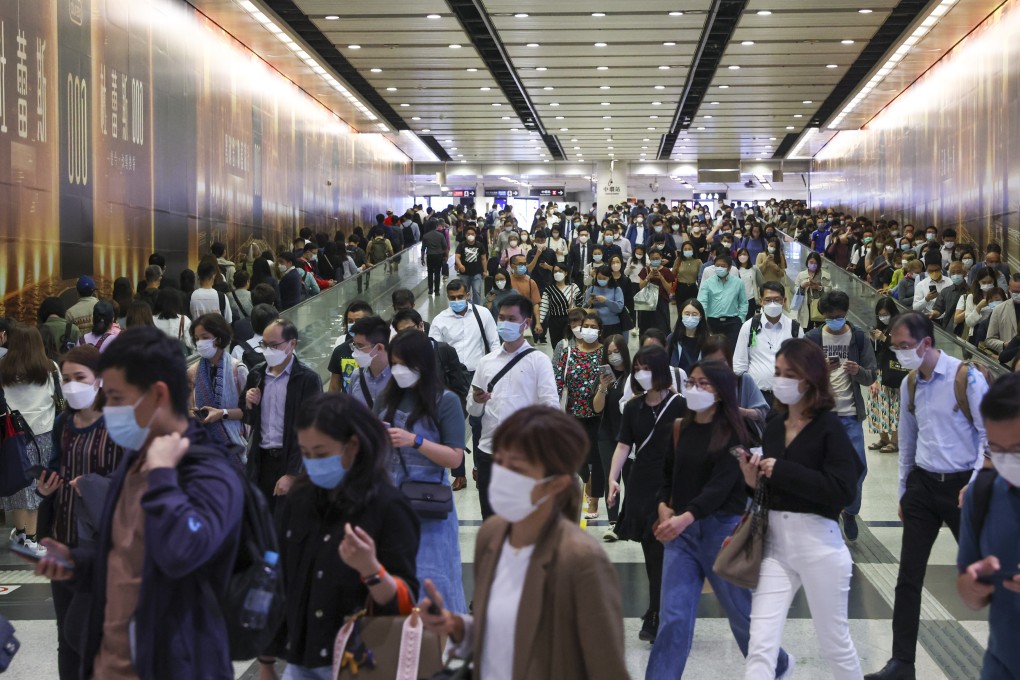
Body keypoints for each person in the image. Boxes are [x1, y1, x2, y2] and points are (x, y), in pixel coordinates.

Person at [31, 326, 245, 679]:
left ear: (157, 395)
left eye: (116, 398)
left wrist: (161, 478)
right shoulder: (136, 461)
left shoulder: (208, 471)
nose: (109, 409)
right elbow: (125, 554)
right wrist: (77, 563)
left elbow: (184, 553)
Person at [420, 406, 629, 680]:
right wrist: (456, 626)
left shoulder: (581, 560)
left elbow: (607, 668)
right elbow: (500, 633)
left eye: (516, 468)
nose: (501, 474)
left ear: (555, 484)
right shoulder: (492, 536)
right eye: (500, 461)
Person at [647, 361, 792, 680]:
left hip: (721, 532)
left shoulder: (734, 432)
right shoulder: (680, 427)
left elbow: (721, 486)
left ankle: (777, 664)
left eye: (704, 384)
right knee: (673, 617)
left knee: (741, 615)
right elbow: (668, 473)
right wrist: (662, 505)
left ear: (722, 392)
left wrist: (686, 516)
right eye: (693, 382)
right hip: (681, 537)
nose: (695, 389)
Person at [260, 391, 419, 680]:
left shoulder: (388, 507)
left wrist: (371, 569)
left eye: (321, 454)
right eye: (305, 454)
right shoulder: (299, 500)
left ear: (352, 446)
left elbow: (404, 603)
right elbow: (282, 579)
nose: (312, 463)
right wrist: (266, 661)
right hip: (302, 658)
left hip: (362, 661)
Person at [866, 312, 989, 680]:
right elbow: (907, 441)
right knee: (908, 577)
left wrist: (977, 482)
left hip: (962, 486)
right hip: (922, 485)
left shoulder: (966, 378)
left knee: (987, 573)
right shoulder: (909, 385)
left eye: (905, 347)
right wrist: (904, 491)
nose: (900, 353)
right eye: (896, 347)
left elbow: (989, 435)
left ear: (926, 344)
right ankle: (902, 663)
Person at [740, 339, 863, 679]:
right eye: (777, 373)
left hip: (820, 545)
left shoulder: (829, 428)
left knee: (834, 642)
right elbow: (773, 487)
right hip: (776, 545)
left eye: (789, 374)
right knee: (760, 642)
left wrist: (782, 470)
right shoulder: (776, 425)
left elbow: (841, 491)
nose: (780, 381)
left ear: (809, 379)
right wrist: (753, 480)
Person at [36, 345, 126, 679]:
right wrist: (46, 485)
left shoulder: (119, 423)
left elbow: (131, 482)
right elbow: (55, 467)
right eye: (66, 378)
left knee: (95, 631)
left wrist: (90, 483)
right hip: (63, 537)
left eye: (80, 378)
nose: (71, 385)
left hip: (102, 543)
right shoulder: (63, 423)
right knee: (67, 634)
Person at [375, 330, 467, 614]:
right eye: (395, 363)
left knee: (432, 579)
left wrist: (415, 440)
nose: (398, 370)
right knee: (392, 576)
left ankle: (440, 646)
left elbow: (454, 457)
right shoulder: (386, 398)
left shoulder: (446, 401)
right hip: (389, 501)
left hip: (428, 504)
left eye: (405, 364)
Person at [607, 345, 687, 644]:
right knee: (652, 552)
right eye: (637, 368)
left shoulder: (681, 405)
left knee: (667, 552)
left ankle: (663, 611)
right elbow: (624, 445)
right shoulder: (633, 408)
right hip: (641, 482)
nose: (640, 373)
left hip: (672, 484)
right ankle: (656, 612)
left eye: (646, 367)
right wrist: (613, 479)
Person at [466, 294, 559, 518]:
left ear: (526, 323)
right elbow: (473, 410)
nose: (504, 323)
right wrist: (477, 401)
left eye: (511, 318)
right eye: (501, 318)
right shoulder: (486, 362)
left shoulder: (539, 361)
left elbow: (551, 407)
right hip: (489, 452)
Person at [956, 372, 1020, 679]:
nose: (1008, 461)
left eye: (1018, 449)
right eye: (997, 449)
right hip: (1002, 664)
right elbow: (968, 590)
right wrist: (973, 587)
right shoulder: (982, 494)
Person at [804, 290, 878, 541]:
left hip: (850, 415)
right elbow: (800, 378)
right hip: (822, 416)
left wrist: (857, 370)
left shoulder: (858, 337)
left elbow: (871, 375)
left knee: (858, 469)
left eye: (839, 316)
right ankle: (827, 513)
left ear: (846, 314)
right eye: (829, 317)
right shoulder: (813, 338)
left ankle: (850, 511)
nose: (834, 321)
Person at [242, 318, 323, 510]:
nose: (268, 350)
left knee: (288, 522)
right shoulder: (257, 374)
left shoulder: (307, 379)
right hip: (261, 460)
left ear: (292, 344)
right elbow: (248, 419)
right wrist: (249, 404)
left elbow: (311, 429)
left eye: (274, 345)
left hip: (290, 459)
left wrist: (293, 473)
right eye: (264, 344)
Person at [2, 325, 61, 557]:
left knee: (18, 486)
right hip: (43, 434)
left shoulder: (3, 369)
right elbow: (59, 397)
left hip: (12, 435)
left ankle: (21, 534)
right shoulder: (49, 368)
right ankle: (33, 540)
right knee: (37, 487)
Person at [555, 312, 605, 519]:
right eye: (586, 326)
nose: (589, 330)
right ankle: (588, 481)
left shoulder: (604, 352)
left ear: (600, 331)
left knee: (598, 457)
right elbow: (559, 379)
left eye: (594, 326)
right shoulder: (569, 353)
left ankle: (593, 501)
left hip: (598, 413)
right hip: (572, 412)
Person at [187, 313, 248, 448]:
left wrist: (222, 413)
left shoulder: (238, 370)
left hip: (235, 440)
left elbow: (249, 411)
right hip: (203, 443)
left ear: (219, 339)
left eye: (205, 338)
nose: (200, 343)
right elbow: (188, 407)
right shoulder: (192, 372)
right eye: (197, 339)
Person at [733, 282, 798, 406]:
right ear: (761, 301)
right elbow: (739, 365)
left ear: (784, 301)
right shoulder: (749, 326)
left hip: (787, 396)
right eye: (768, 300)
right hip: (756, 394)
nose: (772, 304)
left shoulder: (794, 329)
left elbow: (801, 363)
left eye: (777, 300)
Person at [594, 333, 630, 541]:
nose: (614, 356)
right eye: (609, 353)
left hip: (629, 436)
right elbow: (597, 408)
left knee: (630, 478)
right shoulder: (604, 379)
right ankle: (613, 522)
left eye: (617, 351)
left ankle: (628, 518)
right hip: (607, 434)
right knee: (611, 477)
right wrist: (602, 388)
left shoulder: (635, 376)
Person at [867, 298, 905, 455]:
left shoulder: (900, 326)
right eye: (880, 314)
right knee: (876, 404)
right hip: (880, 371)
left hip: (896, 371)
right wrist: (873, 340)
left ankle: (895, 441)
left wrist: (884, 339)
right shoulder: (879, 328)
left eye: (886, 314)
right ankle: (884, 438)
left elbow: (903, 347)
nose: (883, 317)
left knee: (895, 407)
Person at [698, 253, 747, 344]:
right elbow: (702, 301)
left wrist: (741, 318)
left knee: (732, 349)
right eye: (717, 266)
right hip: (713, 322)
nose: (719, 268)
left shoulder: (738, 282)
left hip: (733, 322)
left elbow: (743, 302)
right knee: (714, 350)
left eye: (723, 266)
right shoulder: (708, 283)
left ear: (729, 268)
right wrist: (703, 320)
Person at [327, 300, 374, 392]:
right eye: (350, 321)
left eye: (358, 321)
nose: (354, 325)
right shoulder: (340, 350)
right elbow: (334, 387)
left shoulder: (379, 349)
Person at [346, 316, 392, 409]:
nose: (356, 351)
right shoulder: (356, 376)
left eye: (360, 346)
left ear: (379, 347)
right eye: (355, 345)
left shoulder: (399, 378)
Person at [539, 262, 582, 348]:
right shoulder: (549, 289)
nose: (557, 273)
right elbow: (544, 306)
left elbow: (581, 303)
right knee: (556, 346)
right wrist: (539, 323)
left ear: (566, 273)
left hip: (571, 321)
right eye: (555, 271)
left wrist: (575, 309)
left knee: (571, 345)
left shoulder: (573, 287)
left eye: (560, 271)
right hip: (554, 322)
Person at [955, 266, 1000, 343]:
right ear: (978, 282)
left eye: (990, 282)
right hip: (977, 333)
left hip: (996, 333)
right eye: (983, 282)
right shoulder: (971, 297)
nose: (987, 285)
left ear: (994, 281)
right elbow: (969, 322)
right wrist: (978, 307)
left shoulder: (1001, 295)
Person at [637, 250, 676, 337]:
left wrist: (661, 278)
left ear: (661, 258)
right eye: (653, 259)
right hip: (647, 303)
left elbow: (669, 290)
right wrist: (648, 277)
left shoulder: (666, 271)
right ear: (649, 259)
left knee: (662, 328)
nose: (655, 260)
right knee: (646, 329)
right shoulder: (645, 270)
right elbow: (641, 287)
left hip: (661, 303)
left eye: (657, 258)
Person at [666, 299, 709, 376]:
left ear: (700, 317)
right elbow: (665, 364)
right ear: (681, 316)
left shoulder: (708, 341)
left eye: (694, 314)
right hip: (677, 385)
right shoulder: (672, 338)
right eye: (687, 314)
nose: (690, 317)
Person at [583, 265, 626, 337]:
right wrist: (589, 302)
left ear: (610, 278)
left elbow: (619, 308)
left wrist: (606, 301)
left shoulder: (616, 289)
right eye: (599, 278)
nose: (601, 280)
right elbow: (583, 309)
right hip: (595, 326)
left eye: (604, 278)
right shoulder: (592, 289)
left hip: (613, 325)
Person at [983, 273, 1020, 356]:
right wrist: (1004, 344)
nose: (1018, 294)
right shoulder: (999, 309)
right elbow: (989, 340)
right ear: (1009, 289)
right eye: (1015, 292)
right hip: (1008, 362)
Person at [794, 251, 830, 330]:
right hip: (806, 305)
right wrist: (802, 286)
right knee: (807, 328)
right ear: (807, 262)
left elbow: (830, 290)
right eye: (811, 262)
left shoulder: (825, 275)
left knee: (821, 328)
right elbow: (795, 290)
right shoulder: (801, 275)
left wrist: (818, 287)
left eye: (815, 263)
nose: (813, 265)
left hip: (820, 306)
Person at [191, 256, 233, 321]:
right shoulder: (222, 296)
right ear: (214, 275)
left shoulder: (191, 296)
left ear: (198, 275)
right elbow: (228, 320)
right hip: (217, 329)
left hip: (198, 329)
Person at [911, 250, 951, 316]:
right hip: (927, 319)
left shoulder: (949, 282)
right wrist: (926, 299)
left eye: (937, 270)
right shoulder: (921, 285)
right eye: (931, 271)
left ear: (941, 267)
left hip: (945, 319)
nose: (934, 273)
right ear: (926, 269)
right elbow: (915, 308)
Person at [455, 225, 487, 304]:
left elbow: (483, 259)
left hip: (477, 273)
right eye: (468, 234)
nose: (470, 235)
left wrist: (485, 271)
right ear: (465, 235)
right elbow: (457, 257)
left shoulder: (480, 245)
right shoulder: (461, 245)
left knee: (477, 292)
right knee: (465, 292)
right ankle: (467, 306)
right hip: (464, 274)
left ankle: (476, 308)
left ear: (475, 235)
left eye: (472, 234)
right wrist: (460, 265)